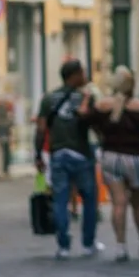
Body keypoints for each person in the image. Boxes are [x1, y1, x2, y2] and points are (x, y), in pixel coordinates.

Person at [36, 58, 103, 261]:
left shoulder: (49, 98)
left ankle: (63, 245)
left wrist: (38, 154)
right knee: (89, 199)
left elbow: (41, 129)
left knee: (60, 200)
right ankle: (88, 243)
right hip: (82, 154)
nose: (85, 76)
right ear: (73, 76)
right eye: (82, 73)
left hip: (58, 155)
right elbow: (95, 125)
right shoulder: (85, 97)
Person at [89, 67, 139, 261]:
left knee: (118, 203)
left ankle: (120, 246)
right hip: (136, 158)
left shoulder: (102, 106)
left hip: (110, 157)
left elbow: (90, 122)